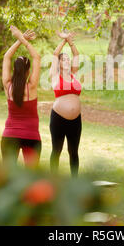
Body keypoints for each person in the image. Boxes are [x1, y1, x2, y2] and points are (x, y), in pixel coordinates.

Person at [1, 26, 41, 168]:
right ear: (28, 71)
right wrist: (23, 40)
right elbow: (36, 57)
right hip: (31, 136)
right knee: (31, 177)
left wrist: (19, 38)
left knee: (7, 174)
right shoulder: (31, 86)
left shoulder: (8, 85)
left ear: (14, 69)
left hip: (10, 135)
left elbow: (7, 57)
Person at [49, 29, 82, 177]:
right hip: (58, 118)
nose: (67, 61)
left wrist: (70, 41)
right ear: (59, 64)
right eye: (64, 59)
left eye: (68, 59)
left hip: (76, 120)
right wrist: (63, 40)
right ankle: (53, 181)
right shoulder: (55, 75)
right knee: (57, 150)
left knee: (73, 151)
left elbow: (76, 55)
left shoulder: (74, 75)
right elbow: (55, 55)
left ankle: (74, 181)